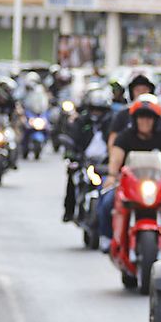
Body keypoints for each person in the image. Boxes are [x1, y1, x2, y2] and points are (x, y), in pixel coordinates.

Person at [98, 94, 161, 245]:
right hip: (129, 185)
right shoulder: (124, 137)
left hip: (158, 186)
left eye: (149, 118)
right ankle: (108, 238)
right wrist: (112, 176)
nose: (145, 121)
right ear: (135, 120)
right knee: (107, 202)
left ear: (156, 120)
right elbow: (116, 158)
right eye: (141, 117)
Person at [62, 87, 114, 222]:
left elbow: (119, 144)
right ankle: (69, 210)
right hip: (85, 161)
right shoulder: (81, 121)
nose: (96, 113)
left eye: (100, 110)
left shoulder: (111, 124)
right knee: (72, 175)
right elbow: (72, 139)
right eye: (94, 109)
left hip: (106, 163)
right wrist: (72, 154)